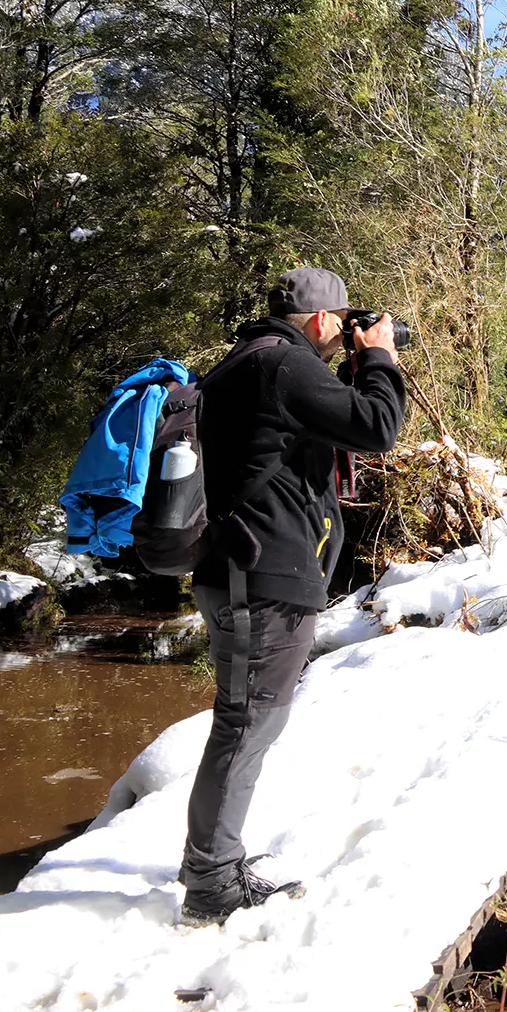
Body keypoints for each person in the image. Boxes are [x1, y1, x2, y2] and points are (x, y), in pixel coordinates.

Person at [177, 267, 406, 927]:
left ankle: (212, 860)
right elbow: (377, 425)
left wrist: (359, 357)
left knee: (246, 719)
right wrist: (380, 358)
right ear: (319, 320)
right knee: (248, 723)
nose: (343, 334)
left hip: (236, 569)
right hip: (261, 576)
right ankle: (211, 880)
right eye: (340, 322)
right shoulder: (284, 365)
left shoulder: (242, 364)